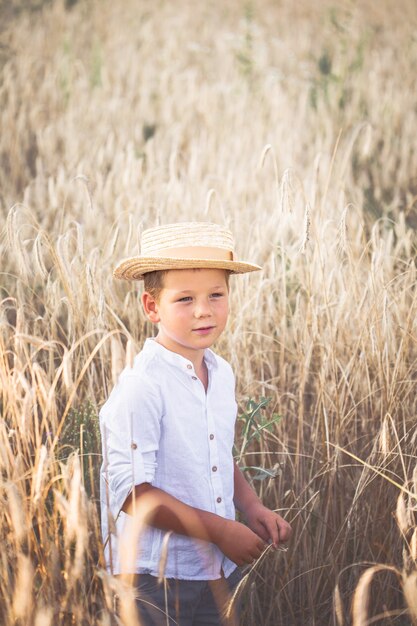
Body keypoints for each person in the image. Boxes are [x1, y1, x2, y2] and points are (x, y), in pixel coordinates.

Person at [100, 222, 291, 625]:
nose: (203, 310)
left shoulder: (221, 374)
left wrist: (251, 506)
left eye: (216, 295)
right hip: (156, 577)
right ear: (151, 307)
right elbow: (133, 494)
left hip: (217, 570)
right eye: (185, 299)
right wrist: (220, 530)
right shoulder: (142, 386)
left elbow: (218, 453)